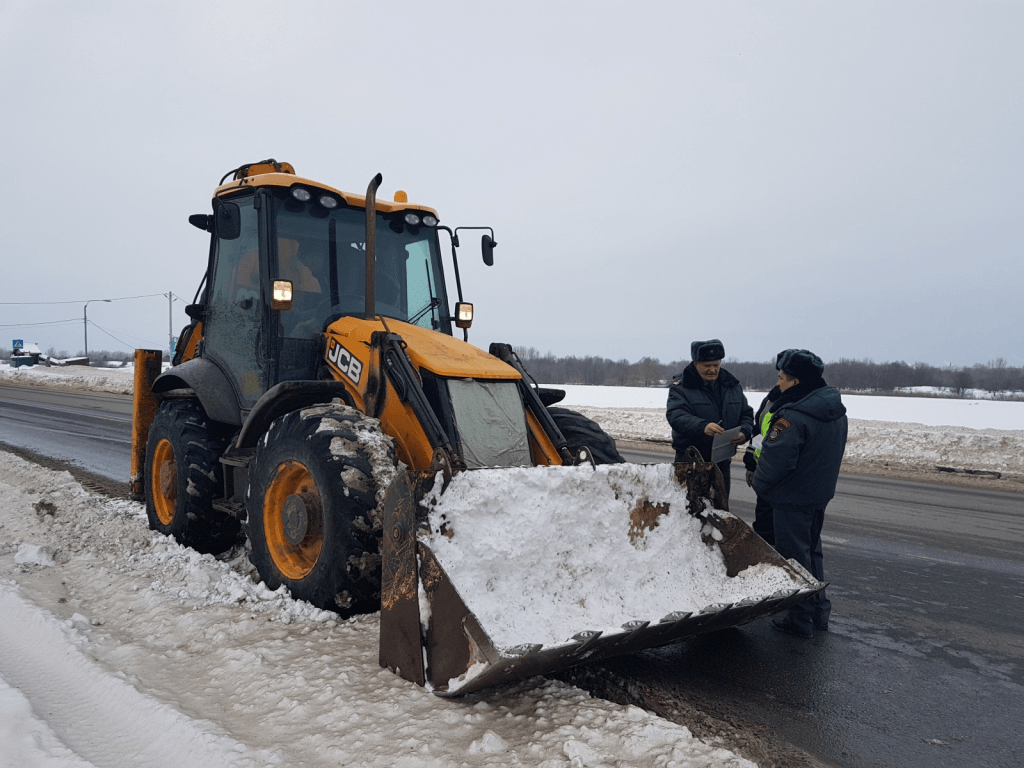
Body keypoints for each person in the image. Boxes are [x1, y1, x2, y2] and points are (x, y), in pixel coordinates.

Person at [752, 349, 848, 638]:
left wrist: (760, 483)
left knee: (794, 558)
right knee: (812, 554)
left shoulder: (791, 417)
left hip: (790, 499)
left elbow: (775, 461)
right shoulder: (832, 410)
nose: (778, 384)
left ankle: (799, 618)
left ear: (794, 382)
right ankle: (819, 612)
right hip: (816, 495)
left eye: (781, 378)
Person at [666, 339, 753, 499]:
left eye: (716, 365)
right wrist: (702, 427)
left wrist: (745, 432)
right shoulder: (681, 388)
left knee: (720, 512)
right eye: (707, 366)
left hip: (722, 464)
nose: (712, 370)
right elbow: (676, 416)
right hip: (690, 464)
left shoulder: (732, 386)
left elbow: (746, 414)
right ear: (696, 363)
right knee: (689, 513)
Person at [742, 383, 782, 545]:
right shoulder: (770, 400)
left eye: (784, 376)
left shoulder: (798, 403)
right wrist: (750, 464)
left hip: (782, 475)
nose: (779, 381)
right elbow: (758, 433)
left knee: (782, 529)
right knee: (763, 524)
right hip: (763, 470)